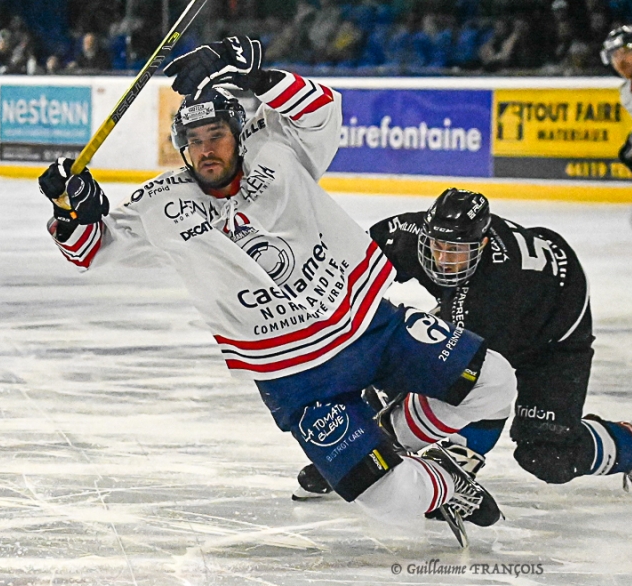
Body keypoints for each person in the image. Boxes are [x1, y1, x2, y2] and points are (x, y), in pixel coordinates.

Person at [36, 36, 517, 546]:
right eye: (194, 139)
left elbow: (323, 109)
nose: (206, 148)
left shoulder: (279, 151)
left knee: (496, 381)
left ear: (238, 133)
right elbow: (89, 249)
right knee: (393, 505)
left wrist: (253, 76)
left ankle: (397, 435)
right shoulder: (162, 204)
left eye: (216, 133)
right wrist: (73, 210)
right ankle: (442, 484)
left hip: (369, 326)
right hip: (297, 378)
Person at [294, 188, 632, 500]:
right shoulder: (406, 235)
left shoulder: (498, 295)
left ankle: (629, 444)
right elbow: (348, 273)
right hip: (485, 306)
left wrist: (452, 456)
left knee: (547, 456)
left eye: (455, 251)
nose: (442, 259)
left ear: (482, 245)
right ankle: (361, 445)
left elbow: (486, 394)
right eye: (437, 246)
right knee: (400, 365)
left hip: (555, 326)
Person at [601, 25, 632, 175]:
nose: (620, 61)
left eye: (627, 51)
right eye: (614, 55)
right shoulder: (626, 92)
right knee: (628, 154)